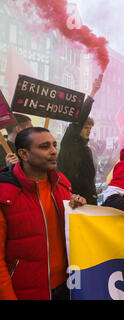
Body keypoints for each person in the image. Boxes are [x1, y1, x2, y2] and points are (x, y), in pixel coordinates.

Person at [0, 127, 87, 300]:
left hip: (68, 286)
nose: (54, 151)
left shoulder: (62, 184)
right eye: (44, 146)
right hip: (25, 291)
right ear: (23, 154)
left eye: (55, 145)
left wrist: (79, 207)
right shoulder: (5, 194)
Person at [57, 75, 103, 205]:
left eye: (90, 128)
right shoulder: (69, 143)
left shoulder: (87, 149)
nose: (89, 131)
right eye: (85, 127)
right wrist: (93, 92)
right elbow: (79, 120)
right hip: (72, 200)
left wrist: (93, 192)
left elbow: (88, 178)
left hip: (88, 200)